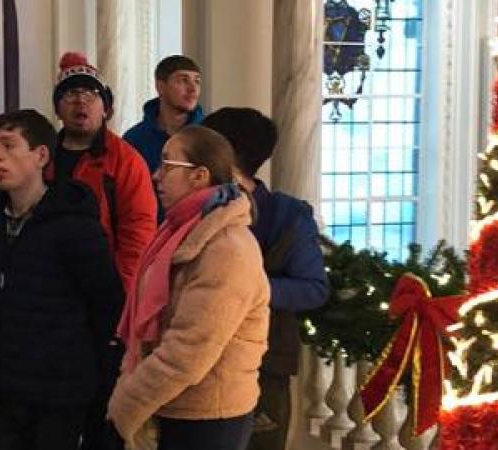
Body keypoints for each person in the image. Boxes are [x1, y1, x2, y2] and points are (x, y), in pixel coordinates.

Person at [108, 126, 270, 450]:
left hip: (210, 416)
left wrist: (124, 409)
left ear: (199, 176)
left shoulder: (226, 248)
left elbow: (188, 350)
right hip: (176, 406)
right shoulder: (181, 229)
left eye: (167, 165)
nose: (156, 176)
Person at [0, 109, 124, 450]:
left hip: (58, 389)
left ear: (40, 155)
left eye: (9, 146)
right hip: (5, 385)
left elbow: (106, 303)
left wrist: (99, 381)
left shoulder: (74, 225)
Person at [202, 108, 329, 450]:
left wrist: (249, 287)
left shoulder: (287, 215)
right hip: (201, 359)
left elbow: (313, 289)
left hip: (265, 363)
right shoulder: (196, 208)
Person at [51, 51, 157, 450]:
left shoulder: (124, 161)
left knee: (102, 400)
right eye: (71, 94)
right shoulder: (42, 153)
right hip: (52, 300)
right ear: (58, 105)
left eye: (90, 95)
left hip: (105, 302)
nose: (81, 102)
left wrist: (120, 294)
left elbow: (138, 232)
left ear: (106, 106)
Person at [123, 55, 204, 174]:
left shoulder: (211, 133)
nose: (193, 89)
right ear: (160, 87)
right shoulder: (134, 139)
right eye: (183, 80)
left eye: (197, 81)